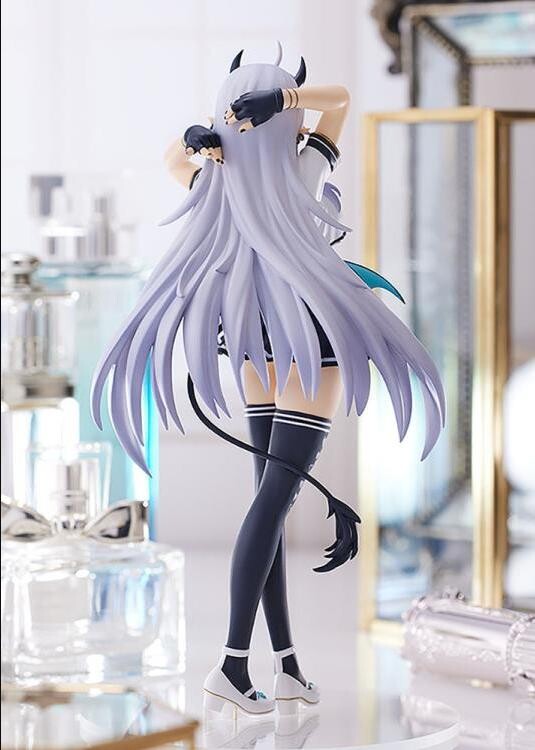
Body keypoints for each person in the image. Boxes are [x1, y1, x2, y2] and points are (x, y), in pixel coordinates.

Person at [91, 46, 445, 716]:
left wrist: (203, 139)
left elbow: (173, 159)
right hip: (310, 337)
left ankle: (286, 668)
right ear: (283, 121)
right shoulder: (302, 168)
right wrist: (285, 101)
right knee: (272, 501)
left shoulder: (217, 184)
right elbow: (340, 101)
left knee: (269, 502)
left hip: (252, 340)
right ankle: (231, 665)